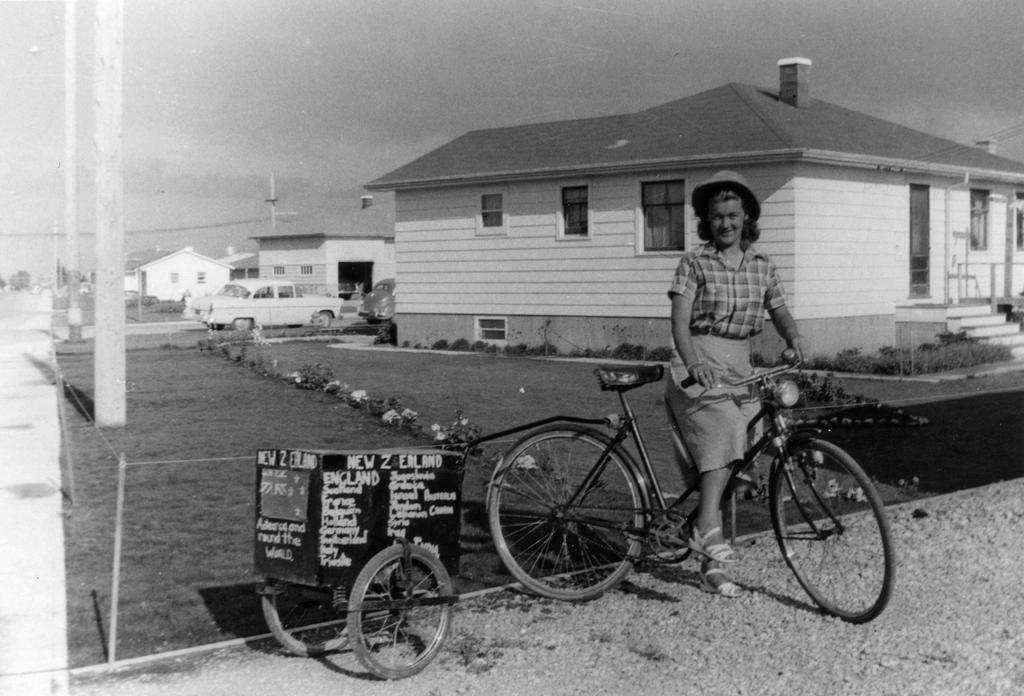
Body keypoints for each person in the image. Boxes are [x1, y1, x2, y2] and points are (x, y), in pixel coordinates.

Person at [664, 170, 803, 598]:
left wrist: (793, 337)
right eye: (717, 216)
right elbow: (679, 324)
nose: (725, 223)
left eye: (732, 215)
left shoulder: (762, 265)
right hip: (696, 362)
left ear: (747, 217)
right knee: (725, 429)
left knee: (736, 459)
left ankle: (711, 564)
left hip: (740, 366)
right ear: (708, 220)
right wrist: (693, 365)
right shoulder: (695, 262)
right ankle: (707, 526)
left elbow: (778, 311)